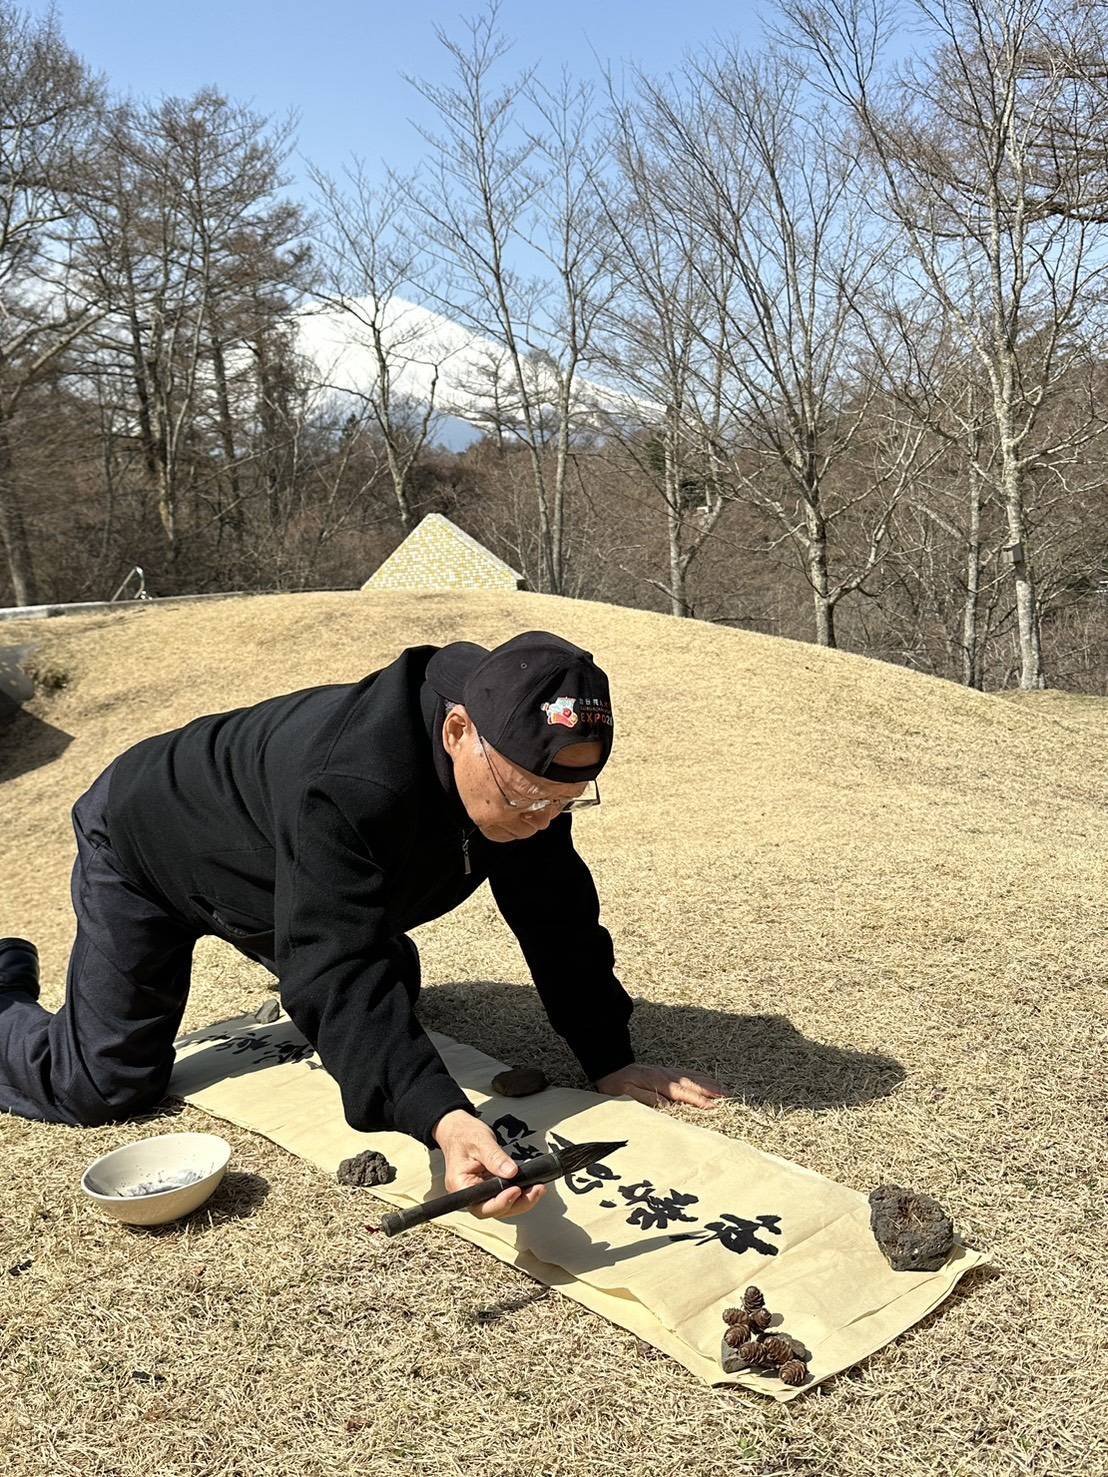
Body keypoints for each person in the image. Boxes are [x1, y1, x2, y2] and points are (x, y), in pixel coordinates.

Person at [0, 630, 726, 1220]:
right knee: (102, 1083)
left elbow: (556, 910)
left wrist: (607, 1053)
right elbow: (335, 968)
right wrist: (441, 1117)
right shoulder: (355, 778)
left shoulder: (521, 749)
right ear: (456, 729)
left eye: (566, 802)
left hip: (273, 862)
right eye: (527, 796)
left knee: (388, 989)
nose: (540, 818)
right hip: (148, 841)